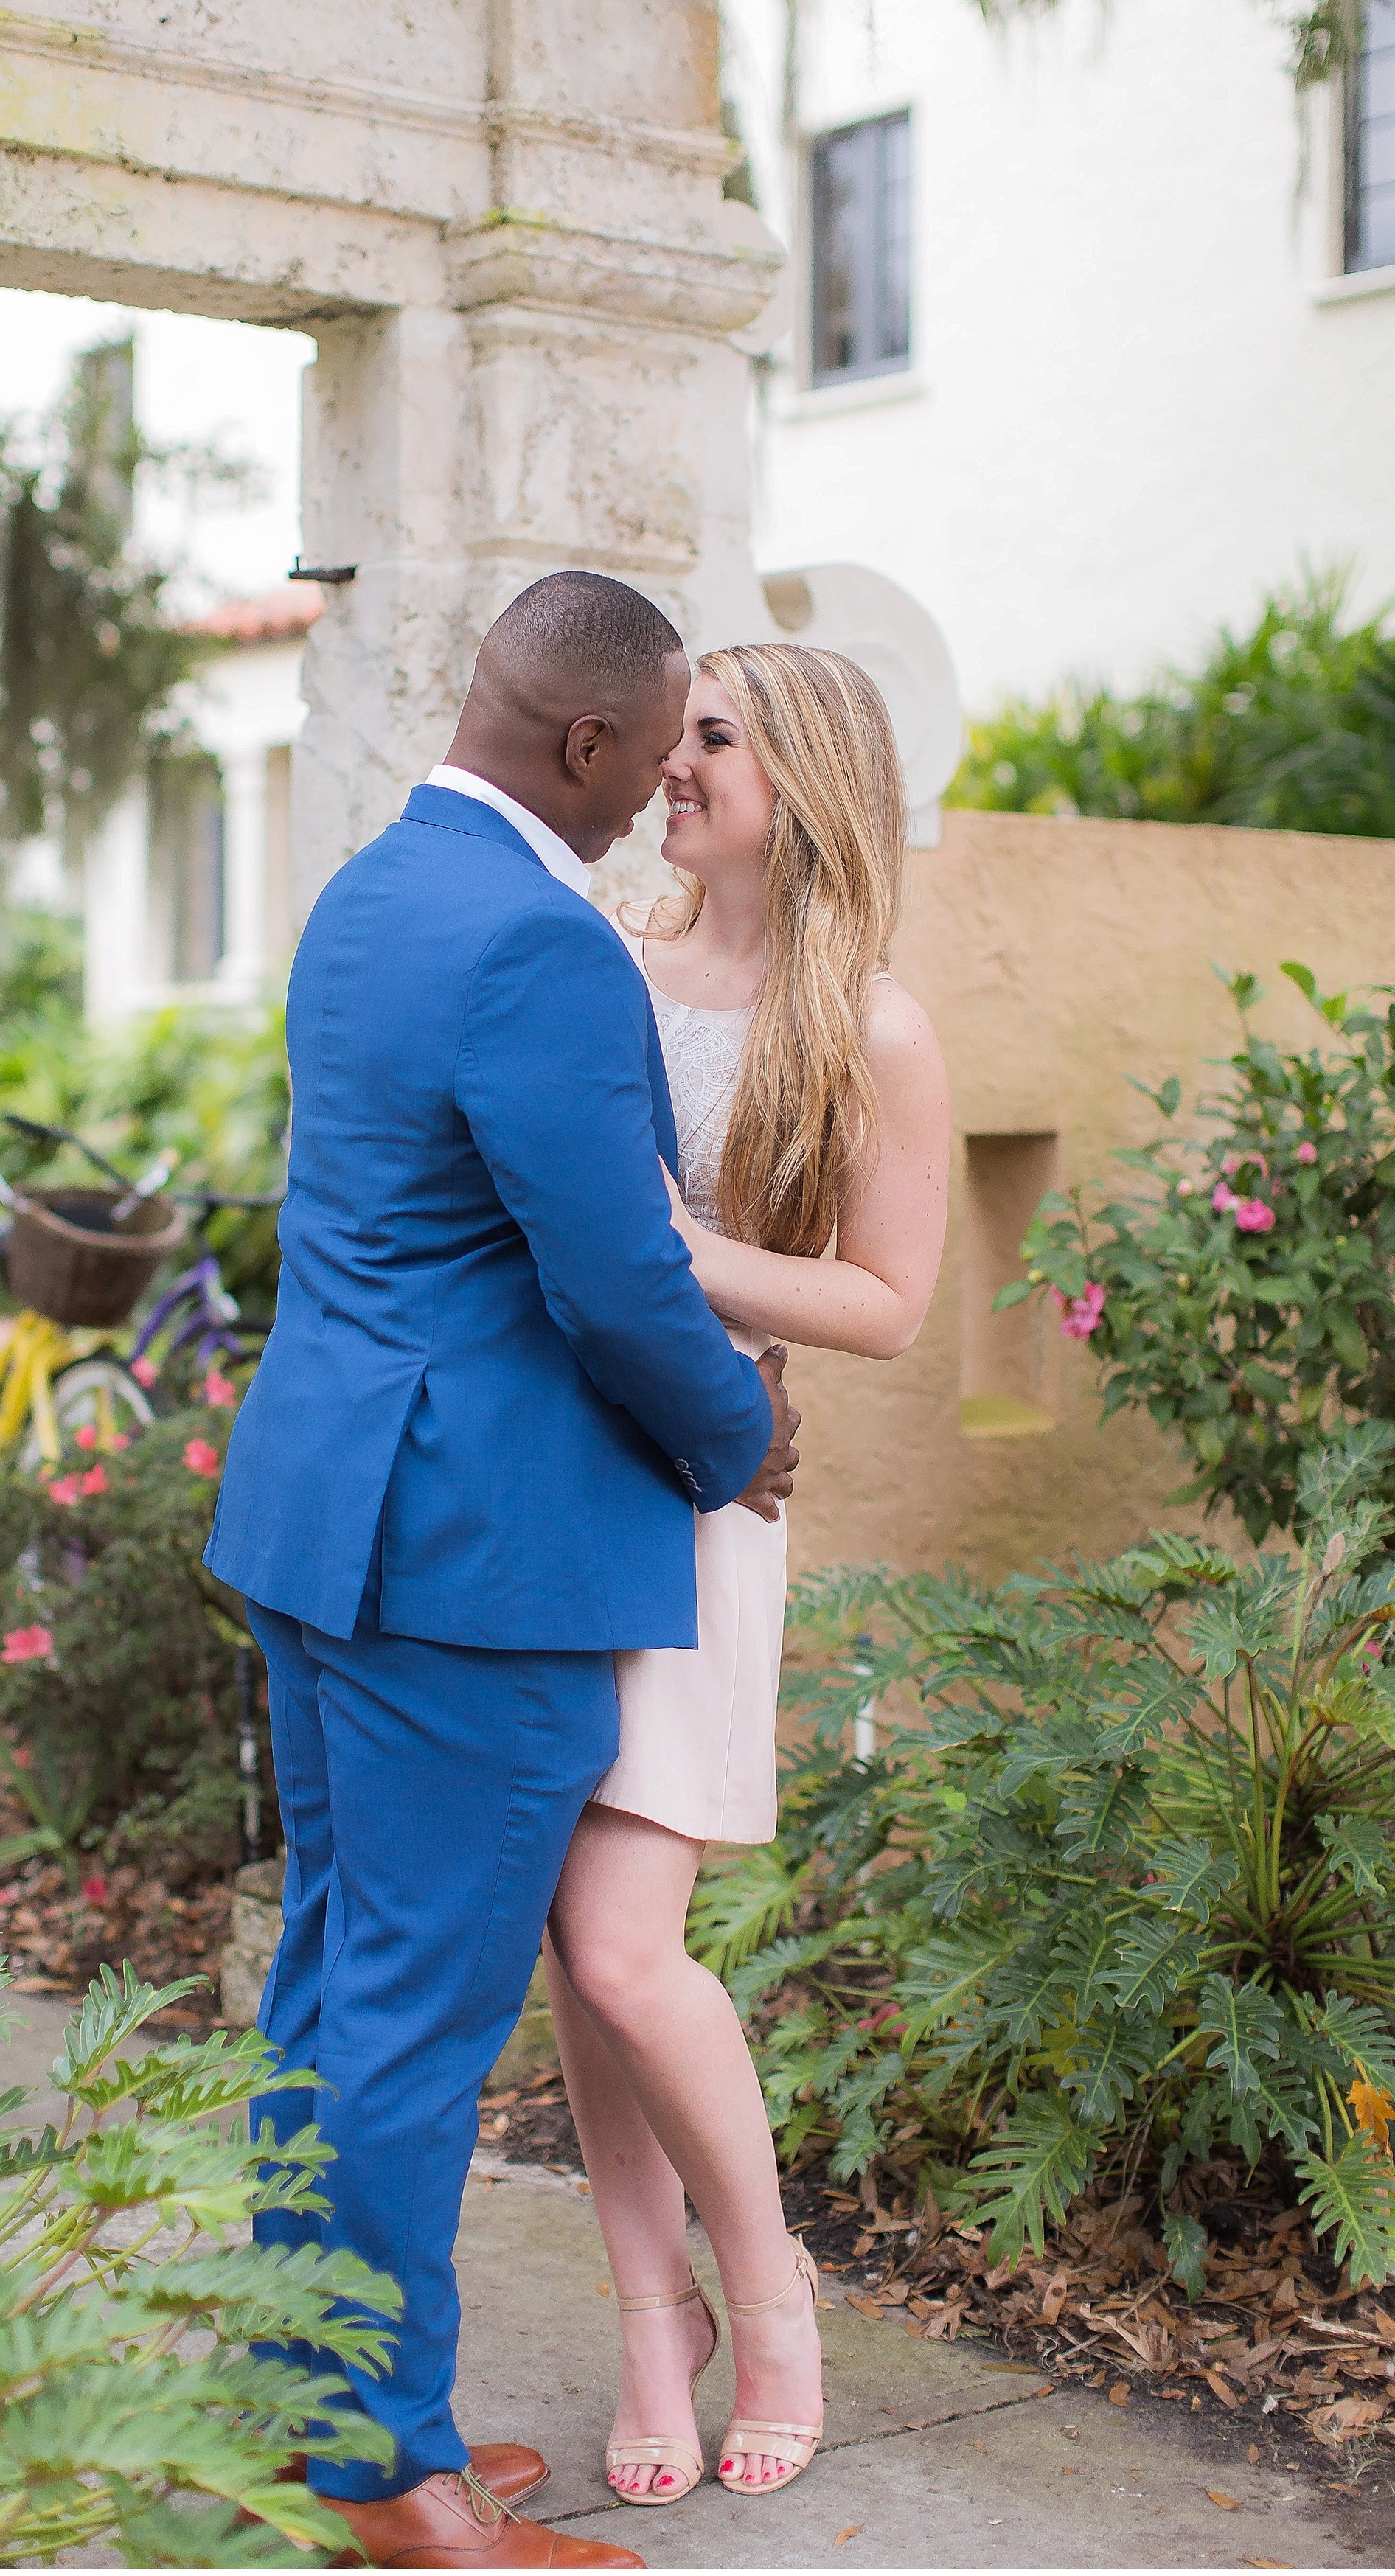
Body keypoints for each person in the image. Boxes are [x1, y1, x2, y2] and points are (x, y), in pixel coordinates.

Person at [204, 574, 800, 2571]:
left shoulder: (372, 891)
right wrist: (739, 1434)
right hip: (467, 1559)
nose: (657, 788)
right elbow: (610, 1271)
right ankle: (389, 2481)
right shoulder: (543, 943)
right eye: (649, 749)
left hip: (320, 1515)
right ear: (581, 744)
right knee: (410, 2020)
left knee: (329, 1984)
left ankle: (317, 2418)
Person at [542, 641, 950, 2511]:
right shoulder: (604, 969)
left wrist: (673, 1253)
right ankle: (653, 2315)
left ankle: (766, 2294)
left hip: (706, 1501)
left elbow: (883, 1300)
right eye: (675, 732)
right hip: (553, 1484)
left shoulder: (863, 1020)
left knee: (631, 1940)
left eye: (712, 737)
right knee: (578, 1945)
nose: (669, 761)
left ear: (804, 779)